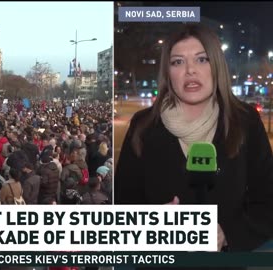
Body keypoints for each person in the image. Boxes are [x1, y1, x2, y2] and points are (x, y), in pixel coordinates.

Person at [114, 24, 273, 255]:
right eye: (178, 62)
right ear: (168, 72)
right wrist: (149, 224)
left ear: (217, 65)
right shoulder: (144, 125)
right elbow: (122, 207)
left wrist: (228, 232)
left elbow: (268, 201)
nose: (190, 70)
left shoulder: (245, 121)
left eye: (202, 59)